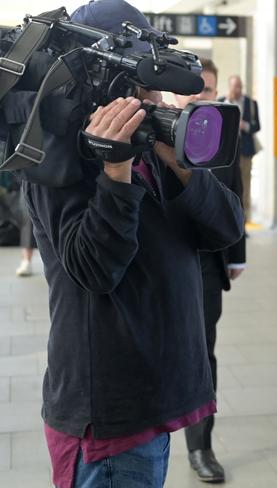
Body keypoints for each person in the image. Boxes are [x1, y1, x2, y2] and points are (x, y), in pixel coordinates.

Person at [21, 1, 244, 487]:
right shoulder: (56, 162)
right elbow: (94, 270)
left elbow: (225, 229)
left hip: (161, 399)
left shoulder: (156, 148)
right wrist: (115, 172)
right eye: (141, 83)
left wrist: (182, 165)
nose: (152, 96)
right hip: (110, 417)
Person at [176, 58, 246, 483]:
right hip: (156, 261)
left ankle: (200, 446)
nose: (201, 97)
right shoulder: (149, 129)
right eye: (195, 89)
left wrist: (237, 253)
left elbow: (234, 193)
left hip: (203, 261)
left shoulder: (221, 135)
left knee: (202, 351)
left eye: (208, 90)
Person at [218, 75, 260, 221]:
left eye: (239, 86)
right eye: (234, 86)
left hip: (245, 152)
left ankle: (244, 221)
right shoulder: (222, 102)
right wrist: (229, 101)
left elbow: (257, 126)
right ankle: (229, 218)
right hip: (227, 152)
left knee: (245, 186)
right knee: (227, 185)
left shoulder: (251, 103)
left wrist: (245, 126)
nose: (237, 89)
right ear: (229, 87)